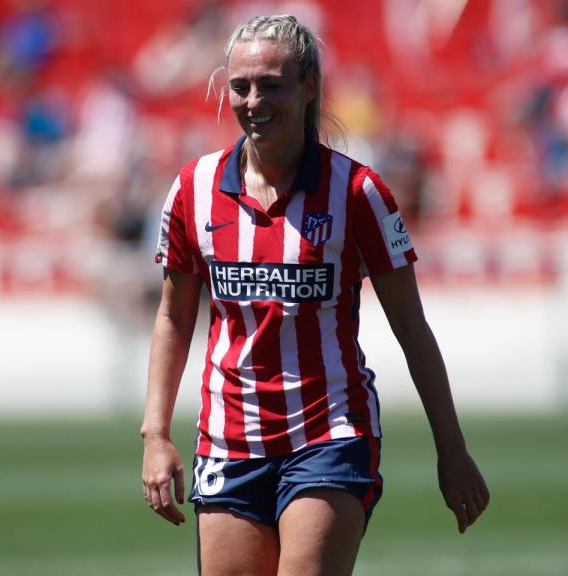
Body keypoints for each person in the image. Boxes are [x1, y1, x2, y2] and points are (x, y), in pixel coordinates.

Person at [141, 14, 489, 575]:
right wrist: (156, 433)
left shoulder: (359, 192)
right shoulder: (194, 189)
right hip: (229, 439)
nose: (254, 101)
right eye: (241, 87)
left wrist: (451, 449)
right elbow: (173, 317)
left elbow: (412, 328)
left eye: (271, 85)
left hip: (330, 434)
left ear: (308, 86)